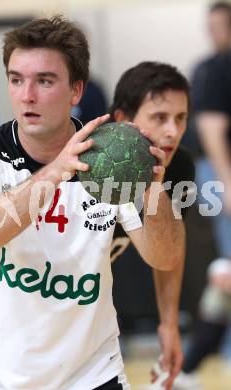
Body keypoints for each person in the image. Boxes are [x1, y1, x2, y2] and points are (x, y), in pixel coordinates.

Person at [0, 16, 185, 390]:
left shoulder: (109, 158)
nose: (27, 95)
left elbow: (165, 257)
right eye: (16, 79)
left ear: (76, 91)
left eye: (44, 81)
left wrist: (152, 187)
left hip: (88, 373)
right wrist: (55, 171)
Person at [107, 62, 194, 390]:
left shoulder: (178, 164)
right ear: (122, 121)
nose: (172, 130)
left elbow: (171, 246)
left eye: (180, 118)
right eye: (160, 118)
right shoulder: (81, 162)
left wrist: (169, 323)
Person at [173, 3, 231, 389]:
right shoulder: (215, 68)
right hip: (220, 171)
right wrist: (225, 181)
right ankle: (194, 365)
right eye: (209, 26)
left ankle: (193, 365)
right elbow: (210, 126)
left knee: (225, 272)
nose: (215, 32)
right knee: (226, 272)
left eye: (220, 25)